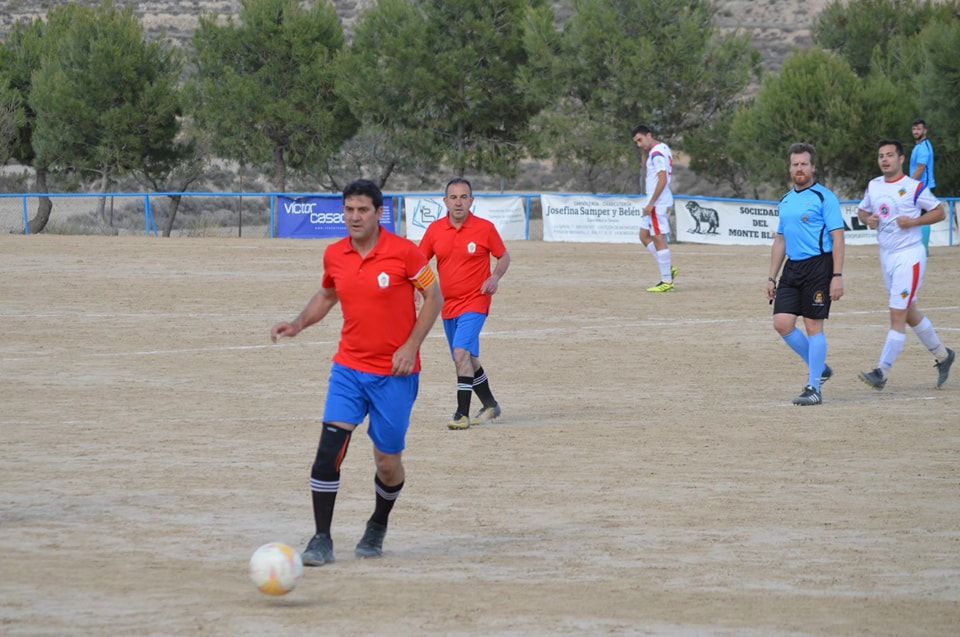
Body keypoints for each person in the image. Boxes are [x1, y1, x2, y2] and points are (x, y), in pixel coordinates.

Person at [270, 179, 442, 565]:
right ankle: (321, 539)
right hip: (348, 368)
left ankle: (378, 524)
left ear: (379, 213)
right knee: (327, 451)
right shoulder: (335, 255)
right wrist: (299, 323)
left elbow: (434, 296)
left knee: (387, 462)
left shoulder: (406, 254)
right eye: (348, 209)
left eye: (363, 210)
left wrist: (411, 345)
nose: (354, 217)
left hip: (396, 376)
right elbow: (328, 294)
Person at [856, 140, 955, 390]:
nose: (885, 159)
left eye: (890, 155)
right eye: (881, 156)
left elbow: (940, 212)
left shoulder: (914, 187)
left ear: (901, 159)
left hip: (909, 257)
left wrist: (912, 222)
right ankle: (944, 356)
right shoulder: (874, 185)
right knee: (908, 312)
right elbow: (862, 212)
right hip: (886, 256)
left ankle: (882, 372)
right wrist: (870, 219)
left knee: (897, 314)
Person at [419, 178, 510, 430]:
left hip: (476, 301)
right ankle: (490, 404)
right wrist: (416, 288)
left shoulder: (485, 228)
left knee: (460, 353)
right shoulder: (435, 230)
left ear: (472, 200)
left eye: (463, 197)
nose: (458, 202)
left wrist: (495, 276)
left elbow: (503, 256)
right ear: (445, 201)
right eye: (453, 197)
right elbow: (418, 261)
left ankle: (461, 414)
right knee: (466, 357)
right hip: (448, 305)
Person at [766, 143, 845, 406]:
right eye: (795, 164)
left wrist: (837, 275)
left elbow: (838, 237)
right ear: (790, 168)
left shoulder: (825, 198)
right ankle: (820, 368)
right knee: (782, 323)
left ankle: (814, 388)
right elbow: (780, 240)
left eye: (804, 164)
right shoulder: (786, 200)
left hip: (819, 267)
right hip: (793, 268)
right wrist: (771, 277)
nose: (799, 169)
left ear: (813, 167)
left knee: (813, 326)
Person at [632, 124, 679, 293]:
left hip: (658, 202)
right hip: (655, 201)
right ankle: (668, 268)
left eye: (640, 140)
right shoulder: (660, 148)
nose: (639, 144)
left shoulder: (657, 153)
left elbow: (662, 180)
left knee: (658, 237)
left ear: (649, 135)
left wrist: (651, 203)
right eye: (636, 142)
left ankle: (667, 280)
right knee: (644, 236)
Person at [909, 119, 936, 254]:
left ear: (925, 130)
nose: (916, 132)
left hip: (923, 186)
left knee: (923, 217)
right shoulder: (920, 146)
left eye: (919, 129)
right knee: (920, 216)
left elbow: (920, 169)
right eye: (914, 129)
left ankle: (924, 249)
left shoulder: (923, 147)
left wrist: (908, 185)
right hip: (920, 186)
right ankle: (922, 248)